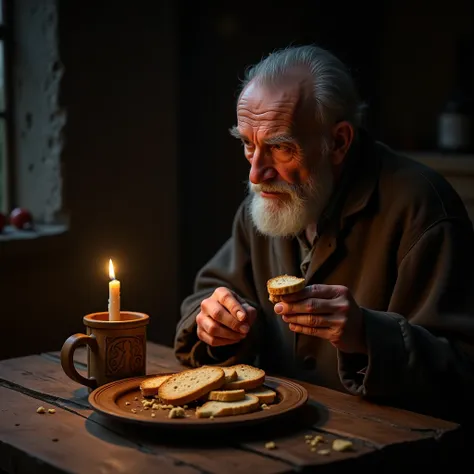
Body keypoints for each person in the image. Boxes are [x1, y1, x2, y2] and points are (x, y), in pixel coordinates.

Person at [174, 44, 474, 420]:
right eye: (248, 145)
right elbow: (207, 295)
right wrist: (216, 322)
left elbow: (464, 373)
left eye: (280, 147)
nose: (255, 173)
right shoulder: (268, 197)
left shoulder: (424, 209)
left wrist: (367, 335)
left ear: (339, 141)